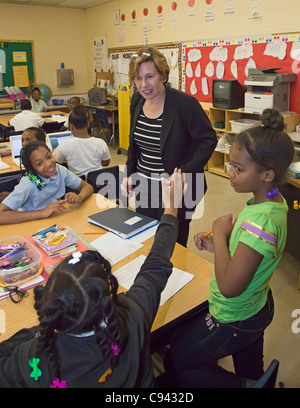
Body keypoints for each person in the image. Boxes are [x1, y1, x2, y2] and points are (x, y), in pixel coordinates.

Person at [0, 169, 186, 388]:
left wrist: (40, 331)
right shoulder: (133, 314)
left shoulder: (34, 359)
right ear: (106, 295)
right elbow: (157, 263)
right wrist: (171, 209)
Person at [163, 108, 295, 388]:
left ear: (268, 174)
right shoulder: (272, 200)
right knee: (249, 364)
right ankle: (261, 382)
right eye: (231, 164)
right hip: (257, 305)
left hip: (235, 315)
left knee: (180, 361)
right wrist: (220, 244)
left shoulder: (260, 222)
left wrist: (222, 235)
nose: (229, 172)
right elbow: (255, 249)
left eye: (238, 168)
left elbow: (230, 287)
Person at [121, 46, 217, 247]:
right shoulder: (137, 100)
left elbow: (208, 139)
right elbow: (134, 143)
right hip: (145, 186)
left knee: (173, 243)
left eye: (149, 77)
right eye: (138, 79)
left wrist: (184, 172)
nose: (143, 84)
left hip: (175, 190)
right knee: (147, 238)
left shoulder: (184, 104)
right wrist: (130, 174)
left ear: (163, 76)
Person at [0, 140, 93, 225]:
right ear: (32, 168)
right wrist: (41, 213)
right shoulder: (28, 183)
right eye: (39, 163)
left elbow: (87, 187)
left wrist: (79, 197)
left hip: (54, 219)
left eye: (49, 157)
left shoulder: (60, 170)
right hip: (29, 222)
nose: (48, 164)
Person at [53, 104, 110, 178]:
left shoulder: (65, 144)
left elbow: (55, 162)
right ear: (88, 124)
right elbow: (106, 163)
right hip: (98, 184)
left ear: (71, 126)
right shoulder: (100, 142)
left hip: (77, 186)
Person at [0, 127, 47, 202]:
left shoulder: (42, 162)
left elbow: (41, 187)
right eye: (22, 140)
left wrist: (12, 195)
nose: (23, 144)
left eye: (29, 140)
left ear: (41, 142)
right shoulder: (30, 157)